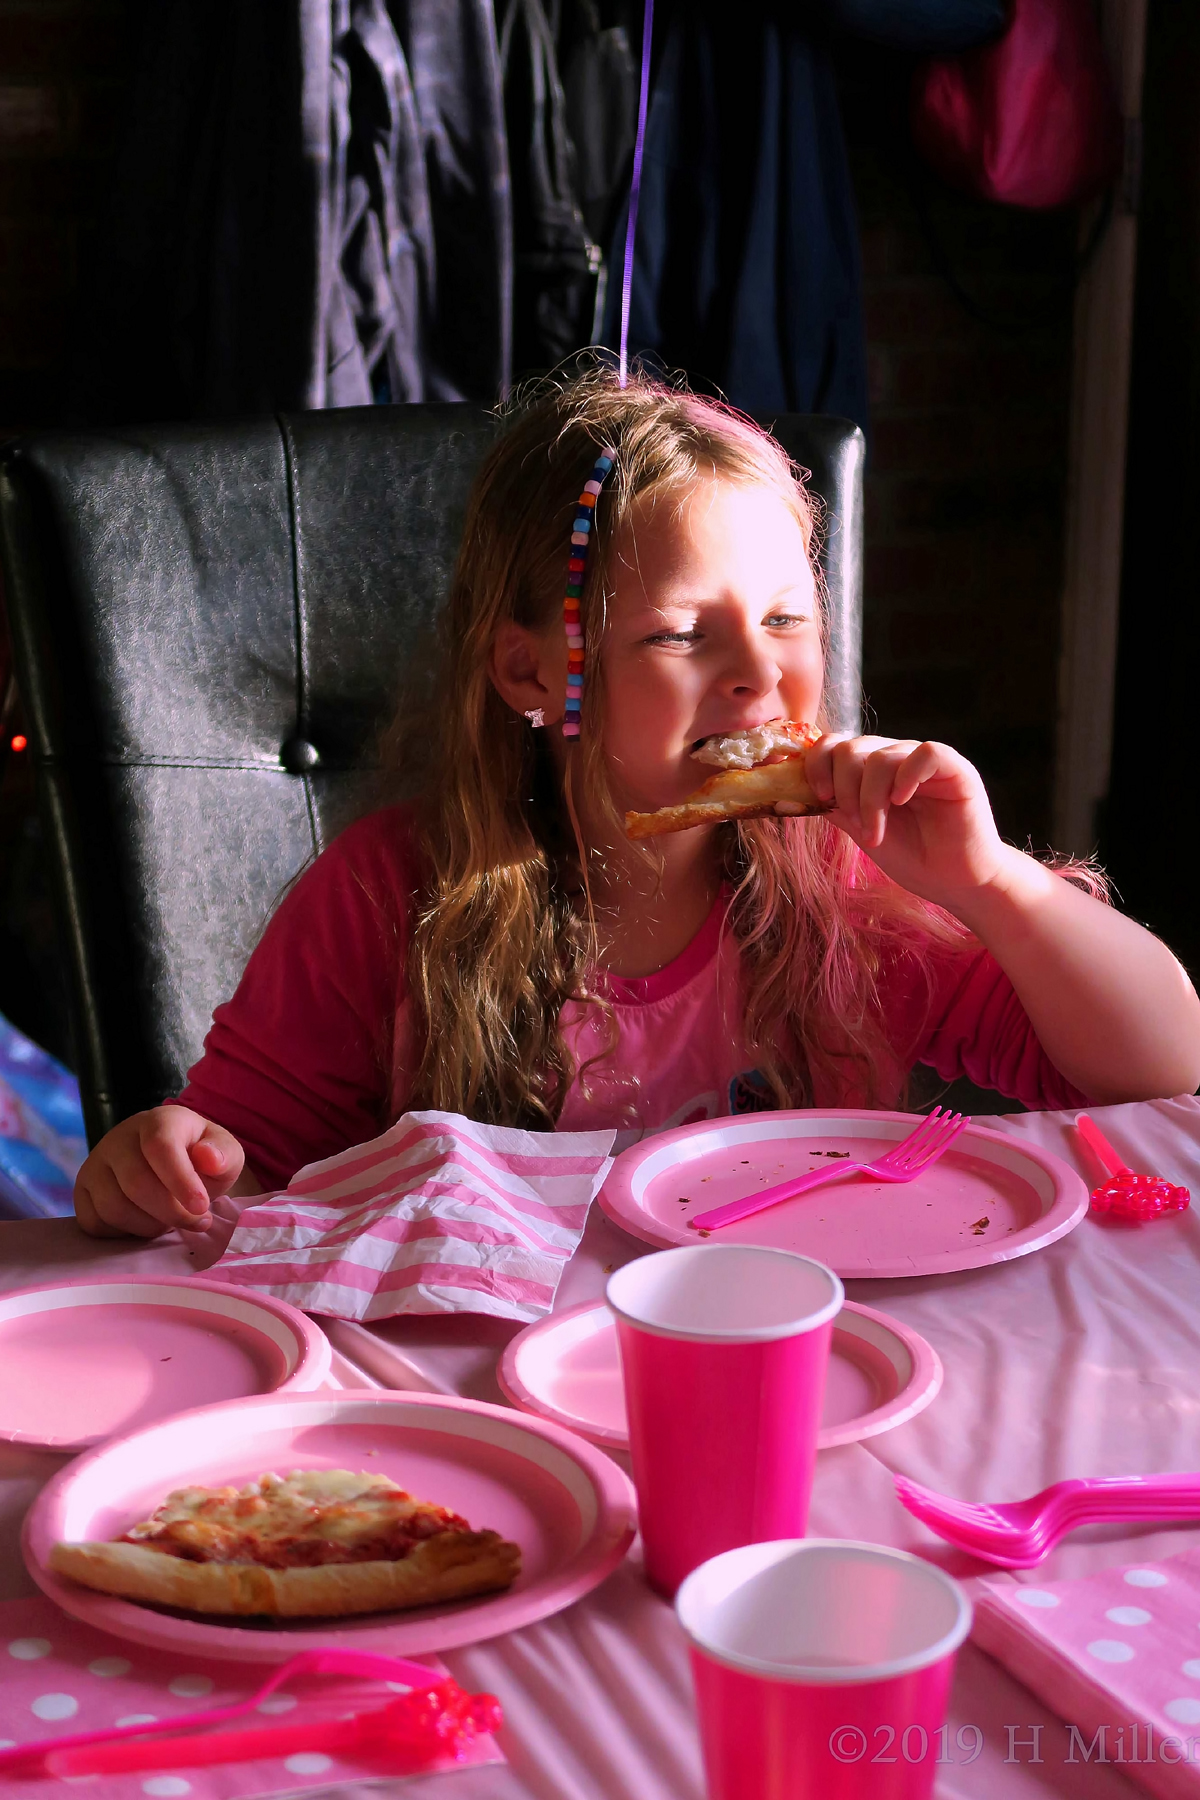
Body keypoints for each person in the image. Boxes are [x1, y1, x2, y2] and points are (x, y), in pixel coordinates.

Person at [74, 367, 1200, 1238]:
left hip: (812, 1356)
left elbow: (1162, 1067)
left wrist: (990, 883)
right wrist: (173, 1157)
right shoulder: (387, 897)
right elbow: (242, 1163)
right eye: (678, 633)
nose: (757, 675)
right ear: (531, 675)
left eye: (785, 619)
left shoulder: (853, 891)